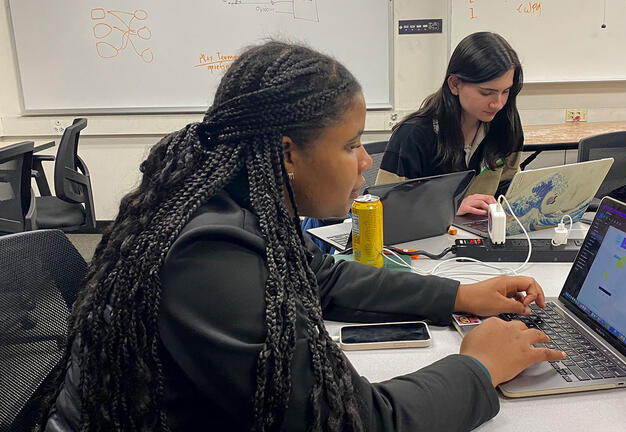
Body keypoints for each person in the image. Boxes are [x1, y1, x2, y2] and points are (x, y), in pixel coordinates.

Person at [40, 42, 565, 431]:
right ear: (288, 153)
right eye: (352, 145)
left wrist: (460, 294)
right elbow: (347, 422)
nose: (365, 163)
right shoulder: (210, 256)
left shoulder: (245, 210)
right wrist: (478, 366)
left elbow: (328, 278)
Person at [376, 32, 525, 216]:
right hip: (427, 240)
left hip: (484, 236)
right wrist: (449, 206)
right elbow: (384, 209)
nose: (498, 103)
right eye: (487, 93)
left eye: (506, 91)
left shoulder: (505, 125)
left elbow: (510, 189)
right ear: (455, 84)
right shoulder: (413, 135)